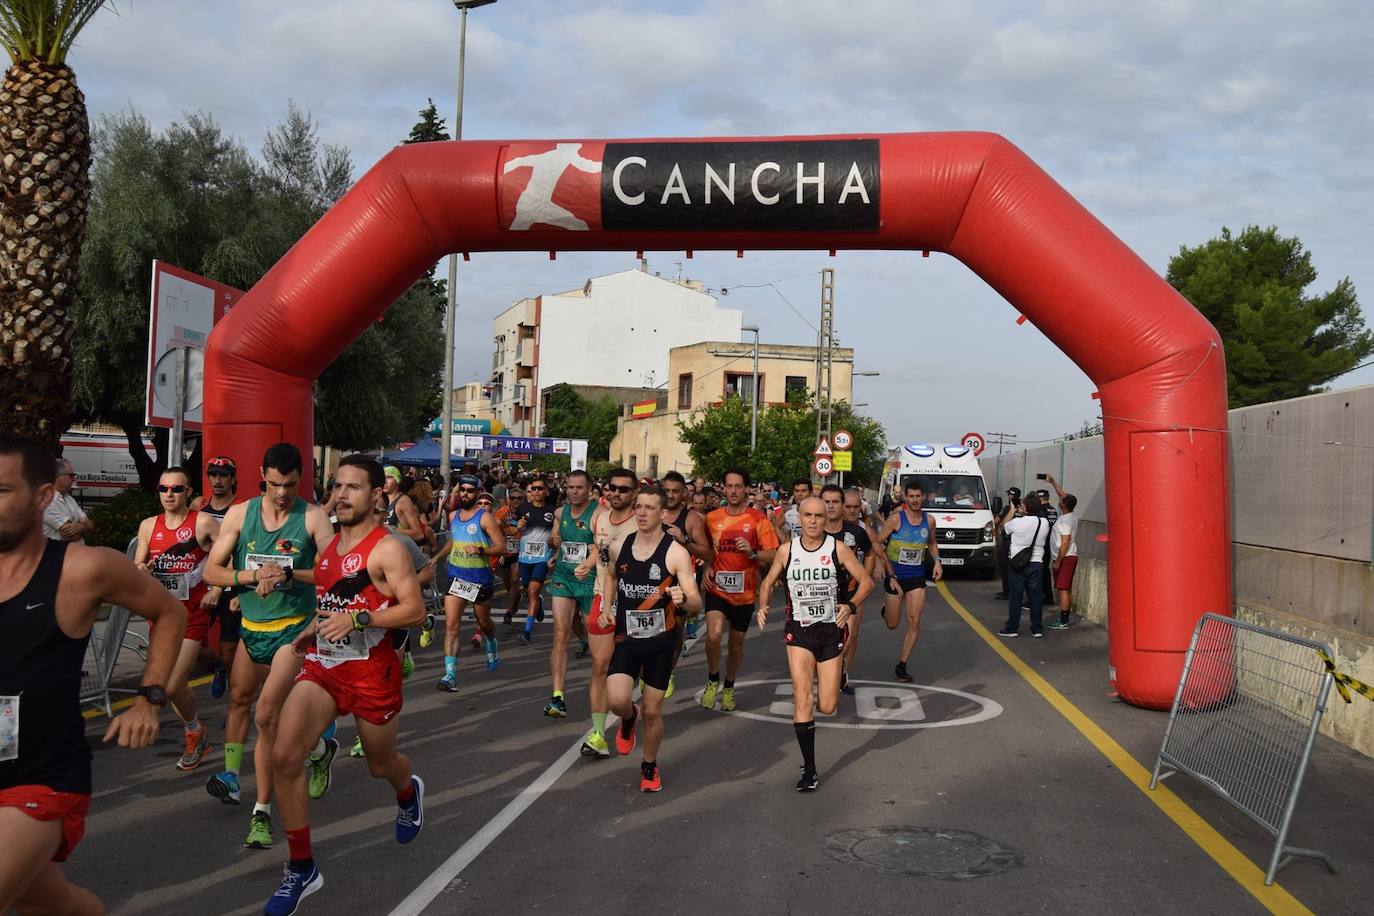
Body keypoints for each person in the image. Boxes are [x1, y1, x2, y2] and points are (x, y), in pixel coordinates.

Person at [0, 433, 187, 916]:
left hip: (39, 778)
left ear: (43, 497)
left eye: (1, 490)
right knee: (48, 903)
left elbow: (169, 613)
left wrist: (149, 696)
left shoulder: (83, 570)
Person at [264, 455, 427, 915]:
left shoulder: (388, 548)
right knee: (283, 754)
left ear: (377, 495)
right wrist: (315, 625)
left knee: (380, 766)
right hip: (325, 667)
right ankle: (301, 867)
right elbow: (333, 589)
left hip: (373, 674)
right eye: (337, 486)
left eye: (353, 487)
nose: (341, 494)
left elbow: (414, 610)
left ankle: (407, 791)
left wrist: (360, 618)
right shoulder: (330, 545)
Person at [201, 443, 334, 850]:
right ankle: (319, 748)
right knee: (240, 699)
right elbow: (212, 570)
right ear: (263, 474)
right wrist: (248, 575)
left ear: (301, 479)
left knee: (266, 714)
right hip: (252, 627)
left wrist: (290, 574)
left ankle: (260, 812)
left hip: (292, 631)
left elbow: (333, 574)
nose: (281, 493)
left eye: (290, 485)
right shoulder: (241, 514)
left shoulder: (312, 517)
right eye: (274, 484)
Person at [758, 496, 871, 791]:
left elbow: (866, 582)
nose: (812, 521)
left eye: (818, 516)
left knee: (829, 705)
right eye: (807, 515)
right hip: (800, 632)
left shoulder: (838, 549)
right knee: (803, 697)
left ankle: (835, 676)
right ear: (800, 518)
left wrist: (851, 605)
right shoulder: (787, 550)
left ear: (825, 519)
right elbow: (768, 581)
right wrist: (762, 606)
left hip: (830, 633)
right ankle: (809, 769)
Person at [601, 485, 702, 792]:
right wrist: (607, 606)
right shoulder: (621, 544)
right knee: (617, 699)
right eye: (639, 507)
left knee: (653, 709)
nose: (642, 513)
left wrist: (682, 598)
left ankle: (649, 765)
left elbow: (696, 603)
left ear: (663, 514)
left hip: (660, 641)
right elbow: (610, 574)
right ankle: (628, 718)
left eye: (648, 508)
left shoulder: (675, 553)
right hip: (627, 638)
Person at [133, 467, 221, 771]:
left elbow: (228, 554)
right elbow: (138, 565)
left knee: (170, 686)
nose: (169, 494)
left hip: (191, 614)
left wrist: (219, 587)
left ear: (188, 492)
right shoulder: (148, 526)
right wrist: (142, 570)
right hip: (161, 615)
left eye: (176, 489)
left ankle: (194, 731)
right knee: (174, 683)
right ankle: (216, 666)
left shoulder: (203, 522)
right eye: (163, 489)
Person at [701, 467, 779, 711]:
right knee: (713, 636)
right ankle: (713, 679)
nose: (733, 491)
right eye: (729, 486)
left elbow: (775, 553)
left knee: (735, 646)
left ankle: (729, 686)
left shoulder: (758, 520)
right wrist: (706, 567)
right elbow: (705, 550)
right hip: (717, 589)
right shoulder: (712, 518)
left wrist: (753, 552)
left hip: (744, 594)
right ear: (723, 488)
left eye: (738, 486)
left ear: (747, 489)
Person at [578, 469, 638, 758]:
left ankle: (629, 715)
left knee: (633, 672)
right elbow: (597, 550)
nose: (616, 493)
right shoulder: (599, 516)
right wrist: (589, 564)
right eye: (612, 488)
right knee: (600, 665)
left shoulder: (642, 521)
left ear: (634, 493)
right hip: (603, 597)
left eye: (623, 489)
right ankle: (599, 734)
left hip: (637, 603)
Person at [437, 475, 506, 692]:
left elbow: (501, 547)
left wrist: (481, 550)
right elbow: (454, 539)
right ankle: (450, 675)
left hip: (479, 579)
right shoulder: (453, 515)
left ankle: (491, 643)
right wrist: (437, 556)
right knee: (451, 625)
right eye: (463, 490)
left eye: (470, 490)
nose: (465, 493)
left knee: (484, 622)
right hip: (456, 576)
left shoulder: (485, 518)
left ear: (477, 493)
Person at [875, 479, 942, 683]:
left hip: (916, 577)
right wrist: (881, 567)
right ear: (905, 497)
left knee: (914, 621)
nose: (914, 500)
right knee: (893, 624)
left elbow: (932, 543)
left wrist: (938, 562)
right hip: (895, 576)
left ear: (923, 497)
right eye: (911, 496)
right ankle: (886, 610)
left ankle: (901, 666)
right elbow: (878, 544)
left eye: (918, 496)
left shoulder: (929, 521)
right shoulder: (896, 519)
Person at [544, 470, 597, 717]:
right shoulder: (559, 513)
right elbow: (558, 538)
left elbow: (603, 547)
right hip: (564, 577)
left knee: (597, 640)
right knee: (560, 635)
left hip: (589, 580)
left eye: (579, 488)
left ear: (588, 490)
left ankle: (608, 687)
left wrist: (590, 561)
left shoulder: (598, 514)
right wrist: (555, 551)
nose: (574, 492)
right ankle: (557, 696)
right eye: (570, 487)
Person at [193, 455, 240, 698]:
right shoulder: (197, 506)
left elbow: (236, 552)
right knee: (190, 645)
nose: (218, 480)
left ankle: (234, 707)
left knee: (229, 650)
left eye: (223, 475)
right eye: (213, 474)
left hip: (228, 586)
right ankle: (217, 667)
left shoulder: (241, 510)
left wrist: (220, 588)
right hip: (202, 585)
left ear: (233, 479)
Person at [660, 471, 712, 690]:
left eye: (675, 491)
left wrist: (685, 540)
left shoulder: (691, 518)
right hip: (651, 580)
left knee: (674, 631)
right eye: (666, 491)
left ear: (684, 494)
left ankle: (667, 673)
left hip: (680, 581)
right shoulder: (650, 513)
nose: (670, 495)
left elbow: (706, 553)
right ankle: (648, 673)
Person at [830, 486, 877, 694]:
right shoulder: (818, 528)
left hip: (851, 592)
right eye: (846, 506)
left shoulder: (858, 532)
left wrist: (863, 579)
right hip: (826, 593)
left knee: (849, 636)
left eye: (854, 507)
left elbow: (871, 553)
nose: (850, 511)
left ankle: (842, 674)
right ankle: (830, 672)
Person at [997, 492, 1052, 638]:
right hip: (1037, 563)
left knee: (1016, 596)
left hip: (1017, 564)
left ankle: (1012, 628)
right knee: (1035, 597)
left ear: (1025, 507)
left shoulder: (1017, 522)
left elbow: (1003, 527)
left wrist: (1012, 510)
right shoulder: (1044, 523)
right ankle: (1037, 628)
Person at [515, 477, 556, 645]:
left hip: (542, 558)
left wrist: (554, 543)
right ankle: (538, 602)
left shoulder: (553, 511)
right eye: (533, 489)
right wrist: (517, 525)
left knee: (532, 591)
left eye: (540, 488)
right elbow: (511, 528)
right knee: (528, 591)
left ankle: (527, 631)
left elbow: (557, 535)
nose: (536, 492)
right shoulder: (523, 508)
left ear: (546, 491)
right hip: (524, 558)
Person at [1043, 475, 1079, 630]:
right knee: (1066, 588)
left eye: (1062, 499)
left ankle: (1063, 621)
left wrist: (1057, 561)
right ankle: (1065, 616)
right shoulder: (1070, 514)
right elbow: (1063, 495)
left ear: (1064, 505)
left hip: (1065, 558)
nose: (1060, 498)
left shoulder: (1065, 521)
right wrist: (1053, 482)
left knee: (1063, 588)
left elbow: (1065, 542)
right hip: (1066, 557)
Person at [41, 458, 94, 545]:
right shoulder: (48, 501)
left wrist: (80, 527)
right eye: (71, 475)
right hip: (60, 556)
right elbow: (73, 536)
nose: (73, 479)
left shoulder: (68, 499)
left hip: (74, 555)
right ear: (57, 476)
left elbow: (91, 526)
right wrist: (84, 527)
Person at [494, 486, 523, 625]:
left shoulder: (527, 512)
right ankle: (515, 598)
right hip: (505, 550)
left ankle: (509, 612)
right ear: (508, 499)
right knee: (508, 582)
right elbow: (495, 531)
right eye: (513, 498)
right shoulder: (501, 513)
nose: (516, 501)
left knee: (515, 579)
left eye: (519, 498)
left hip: (520, 550)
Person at [382, 466, 423, 543]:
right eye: (383, 478)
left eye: (389, 477)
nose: (385, 481)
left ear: (397, 480)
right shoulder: (381, 500)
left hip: (399, 550)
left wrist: (390, 529)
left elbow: (418, 534)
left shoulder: (403, 501)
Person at [994, 486, 1022, 600]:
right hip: (1020, 542)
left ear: (1011, 496)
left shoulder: (1008, 508)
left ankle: (1007, 592)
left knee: (1005, 566)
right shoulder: (1023, 508)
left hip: (1008, 541)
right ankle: (1014, 591)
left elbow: (998, 522)